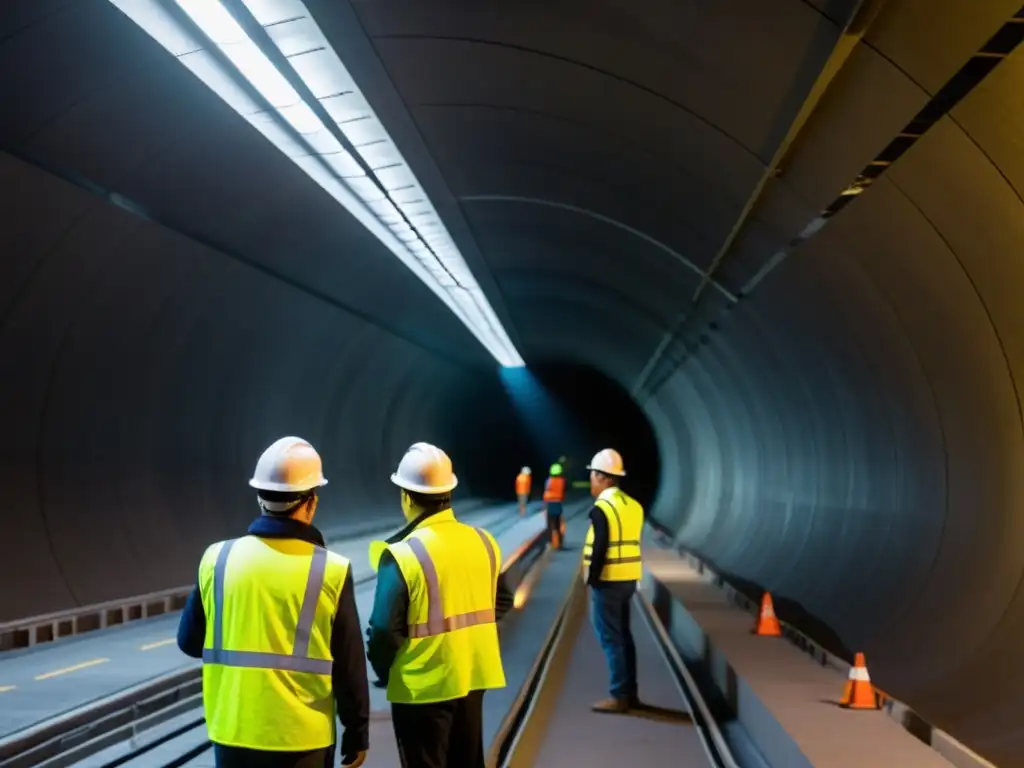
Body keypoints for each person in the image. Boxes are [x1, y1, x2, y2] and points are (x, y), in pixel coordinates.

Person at [177, 437, 369, 768]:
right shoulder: (330, 570)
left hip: (233, 732)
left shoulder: (216, 559)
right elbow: (349, 665)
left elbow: (190, 643)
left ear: (259, 497)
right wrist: (357, 732)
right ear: (311, 502)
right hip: (303, 739)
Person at [366, 442, 514, 768]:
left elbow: (382, 631)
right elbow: (503, 600)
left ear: (407, 496)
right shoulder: (484, 541)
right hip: (473, 676)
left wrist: (384, 670)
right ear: (449, 492)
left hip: (421, 688)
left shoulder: (403, 554)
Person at [581, 448, 645, 713]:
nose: (591, 482)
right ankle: (630, 693)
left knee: (611, 638)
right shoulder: (633, 505)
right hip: (628, 579)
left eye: (593, 476)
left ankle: (619, 695)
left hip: (607, 581)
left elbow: (601, 546)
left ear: (603, 477)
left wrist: (592, 578)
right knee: (624, 637)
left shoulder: (603, 508)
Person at [542, 461, 566, 548]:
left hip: (550, 503)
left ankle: (550, 542)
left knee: (549, 524)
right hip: (558, 503)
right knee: (557, 524)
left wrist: (544, 506)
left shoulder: (549, 481)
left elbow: (547, 490)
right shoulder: (562, 481)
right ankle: (560, 543)